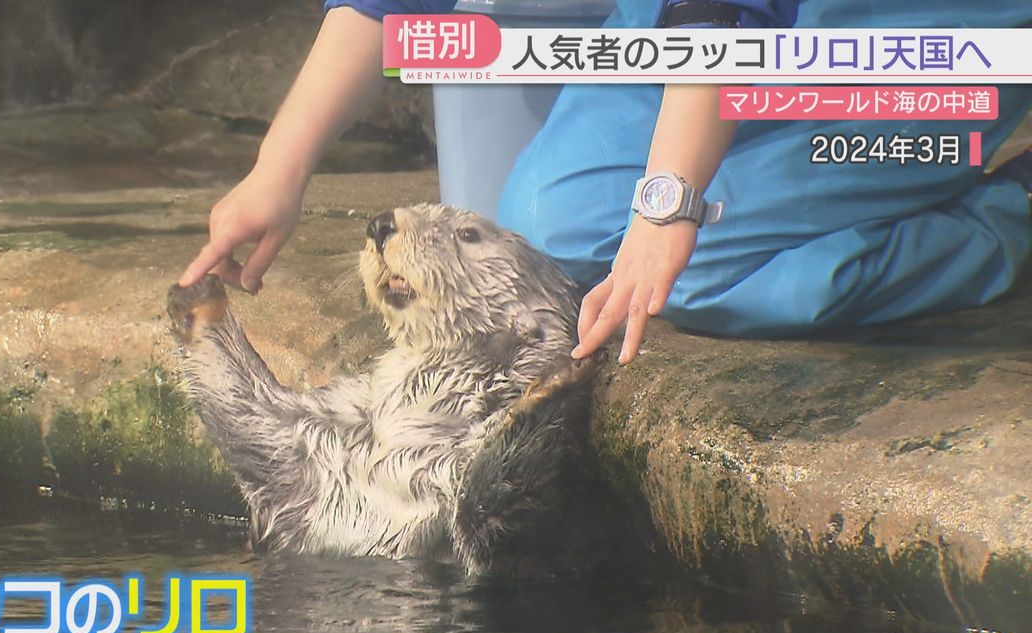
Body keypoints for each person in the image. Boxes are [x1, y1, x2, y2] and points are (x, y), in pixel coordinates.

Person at [180, 0, 1032, 366]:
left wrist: (666, 204)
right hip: (687, 21)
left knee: (684, 267)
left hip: (911, 36)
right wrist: (277, 169)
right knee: (550, 226)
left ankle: (1006, 215)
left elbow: (726, 14)